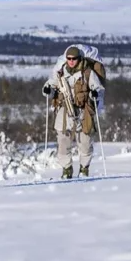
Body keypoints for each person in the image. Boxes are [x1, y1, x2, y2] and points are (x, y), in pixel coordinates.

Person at [42, 45, 105, 178]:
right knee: (63, 141)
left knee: (85, 142)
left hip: (84, 110)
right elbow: (51, 85)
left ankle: (84, 169)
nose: (71, 61)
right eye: (69, 58)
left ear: (79, 58)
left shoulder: (87, 73)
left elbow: (98, 88)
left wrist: (94, 93)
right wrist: (47, 90)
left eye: (74, 58)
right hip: (64, 110)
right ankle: (66, 170)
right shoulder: (60, 73)